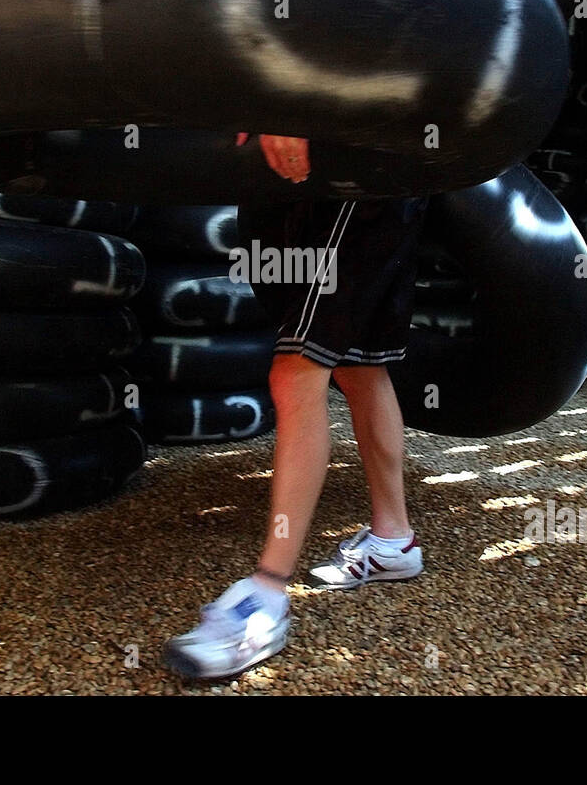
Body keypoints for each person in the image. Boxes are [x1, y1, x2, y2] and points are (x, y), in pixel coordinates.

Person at [163, 133, 429, 680]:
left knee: (296, 370)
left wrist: (293, 105)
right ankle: (394, 537)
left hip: (351, 166)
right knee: (359, 365)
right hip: (358, 173)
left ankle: (265, 594)